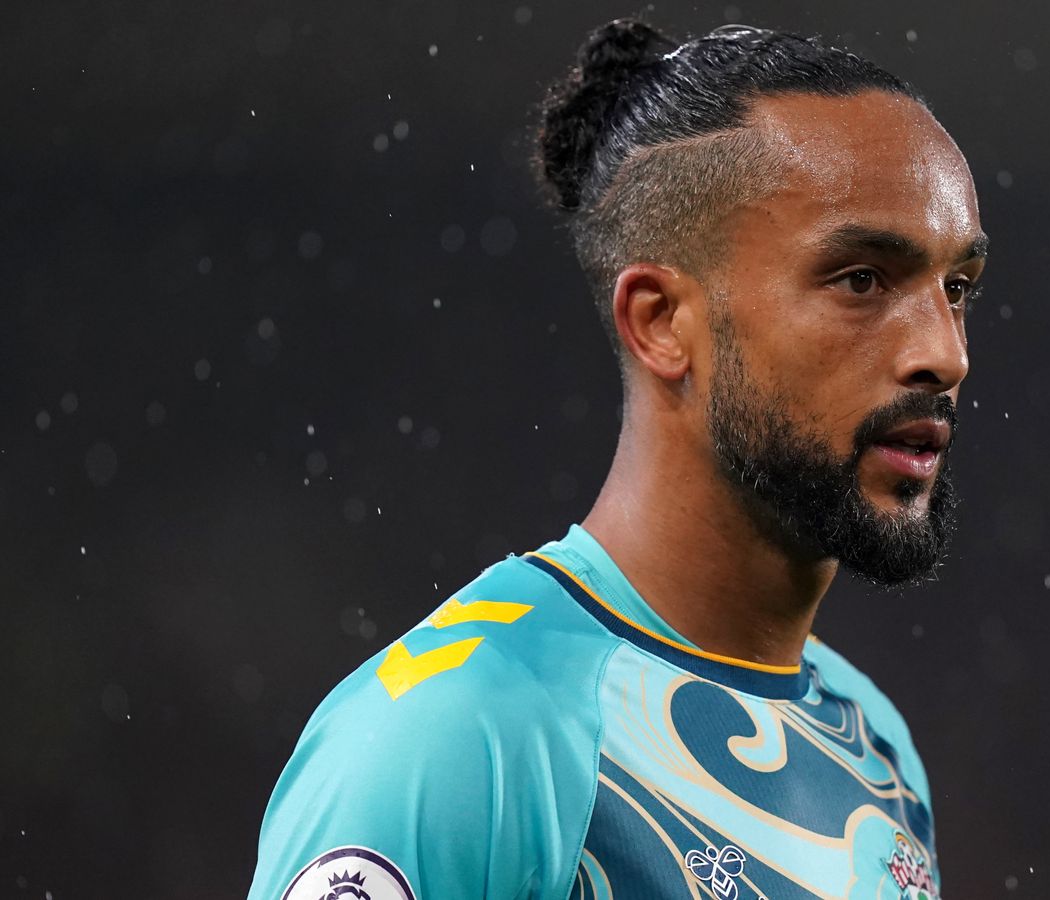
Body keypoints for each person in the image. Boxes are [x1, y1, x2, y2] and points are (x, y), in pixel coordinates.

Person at [247, 17, 987, 900]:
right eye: (861, 280)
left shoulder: (877, 750)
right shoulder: (460, 735)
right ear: (661, 322)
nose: (945, 353)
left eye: (957, 288)